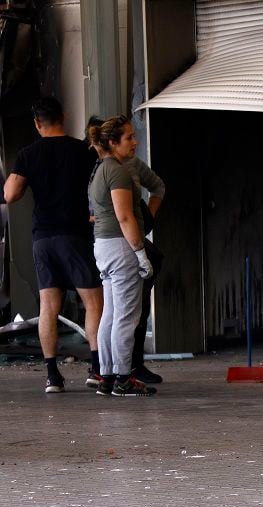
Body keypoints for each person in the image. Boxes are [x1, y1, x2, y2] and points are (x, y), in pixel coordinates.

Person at [2, 97, 103, 393]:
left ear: (37, 123)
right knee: (93, 302)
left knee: (49, 304)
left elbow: (10, 195)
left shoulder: (27, 154)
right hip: (75, 235)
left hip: (43, 238)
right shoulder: (83, 150)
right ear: (64, 116)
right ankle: (97, 369)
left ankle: (52, 376)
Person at [86, 116, 165, 384]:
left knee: (110, 313)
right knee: (126, 316)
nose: (135, 141)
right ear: (112, 142)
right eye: (129, 137)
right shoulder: (117, 172)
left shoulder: (99, 170)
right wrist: (141, 253)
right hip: (121, 247)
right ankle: (123, 377)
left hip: (104, 247)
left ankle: (106, 375)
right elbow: (125, 217)